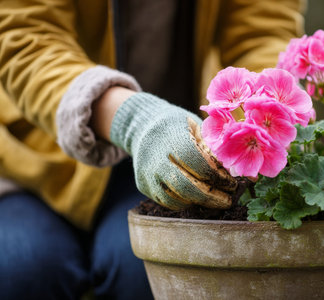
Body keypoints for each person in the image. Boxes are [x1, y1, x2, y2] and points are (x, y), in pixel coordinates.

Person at [0, 0, 306, 299]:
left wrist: (260, 123)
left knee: (150, 270)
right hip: (31, 160)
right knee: (24, 270)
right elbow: (25, 40)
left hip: (177, 159)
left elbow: (262, 36)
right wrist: (133, 118)